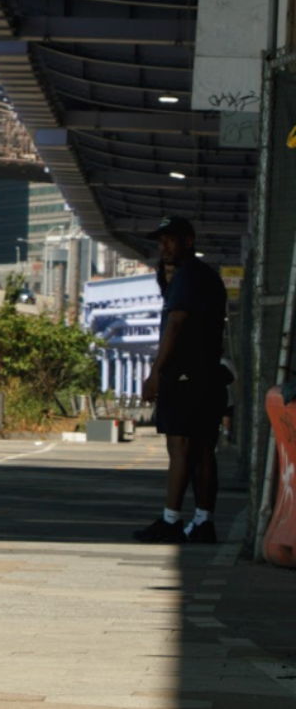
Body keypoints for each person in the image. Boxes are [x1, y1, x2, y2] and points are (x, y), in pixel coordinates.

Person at [134, 216, 228, 545]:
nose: (163, 247)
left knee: (180, 447)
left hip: (184, 374)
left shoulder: (188, 277)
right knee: (203, 448)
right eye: (160, 242)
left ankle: (171, 520)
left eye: (170, 240)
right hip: (206, 373)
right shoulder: (204, 276)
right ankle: (204, 521)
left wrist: (155, 373)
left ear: (188, 241)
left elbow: (175, 326)